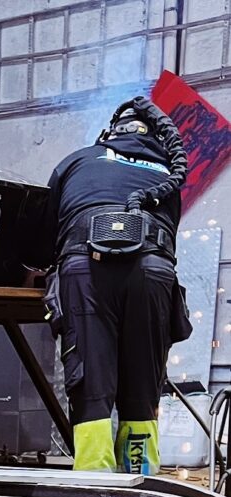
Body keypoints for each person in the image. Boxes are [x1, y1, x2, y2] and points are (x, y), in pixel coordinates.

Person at [36, 96, 190, 473]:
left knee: (91, 385)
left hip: (86, 270)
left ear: (110, 133)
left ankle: (94, 485)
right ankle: (141, 479)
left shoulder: (78, 160)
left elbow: (42, 237)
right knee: (142, 390)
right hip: (152, 272)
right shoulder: (167, 175)